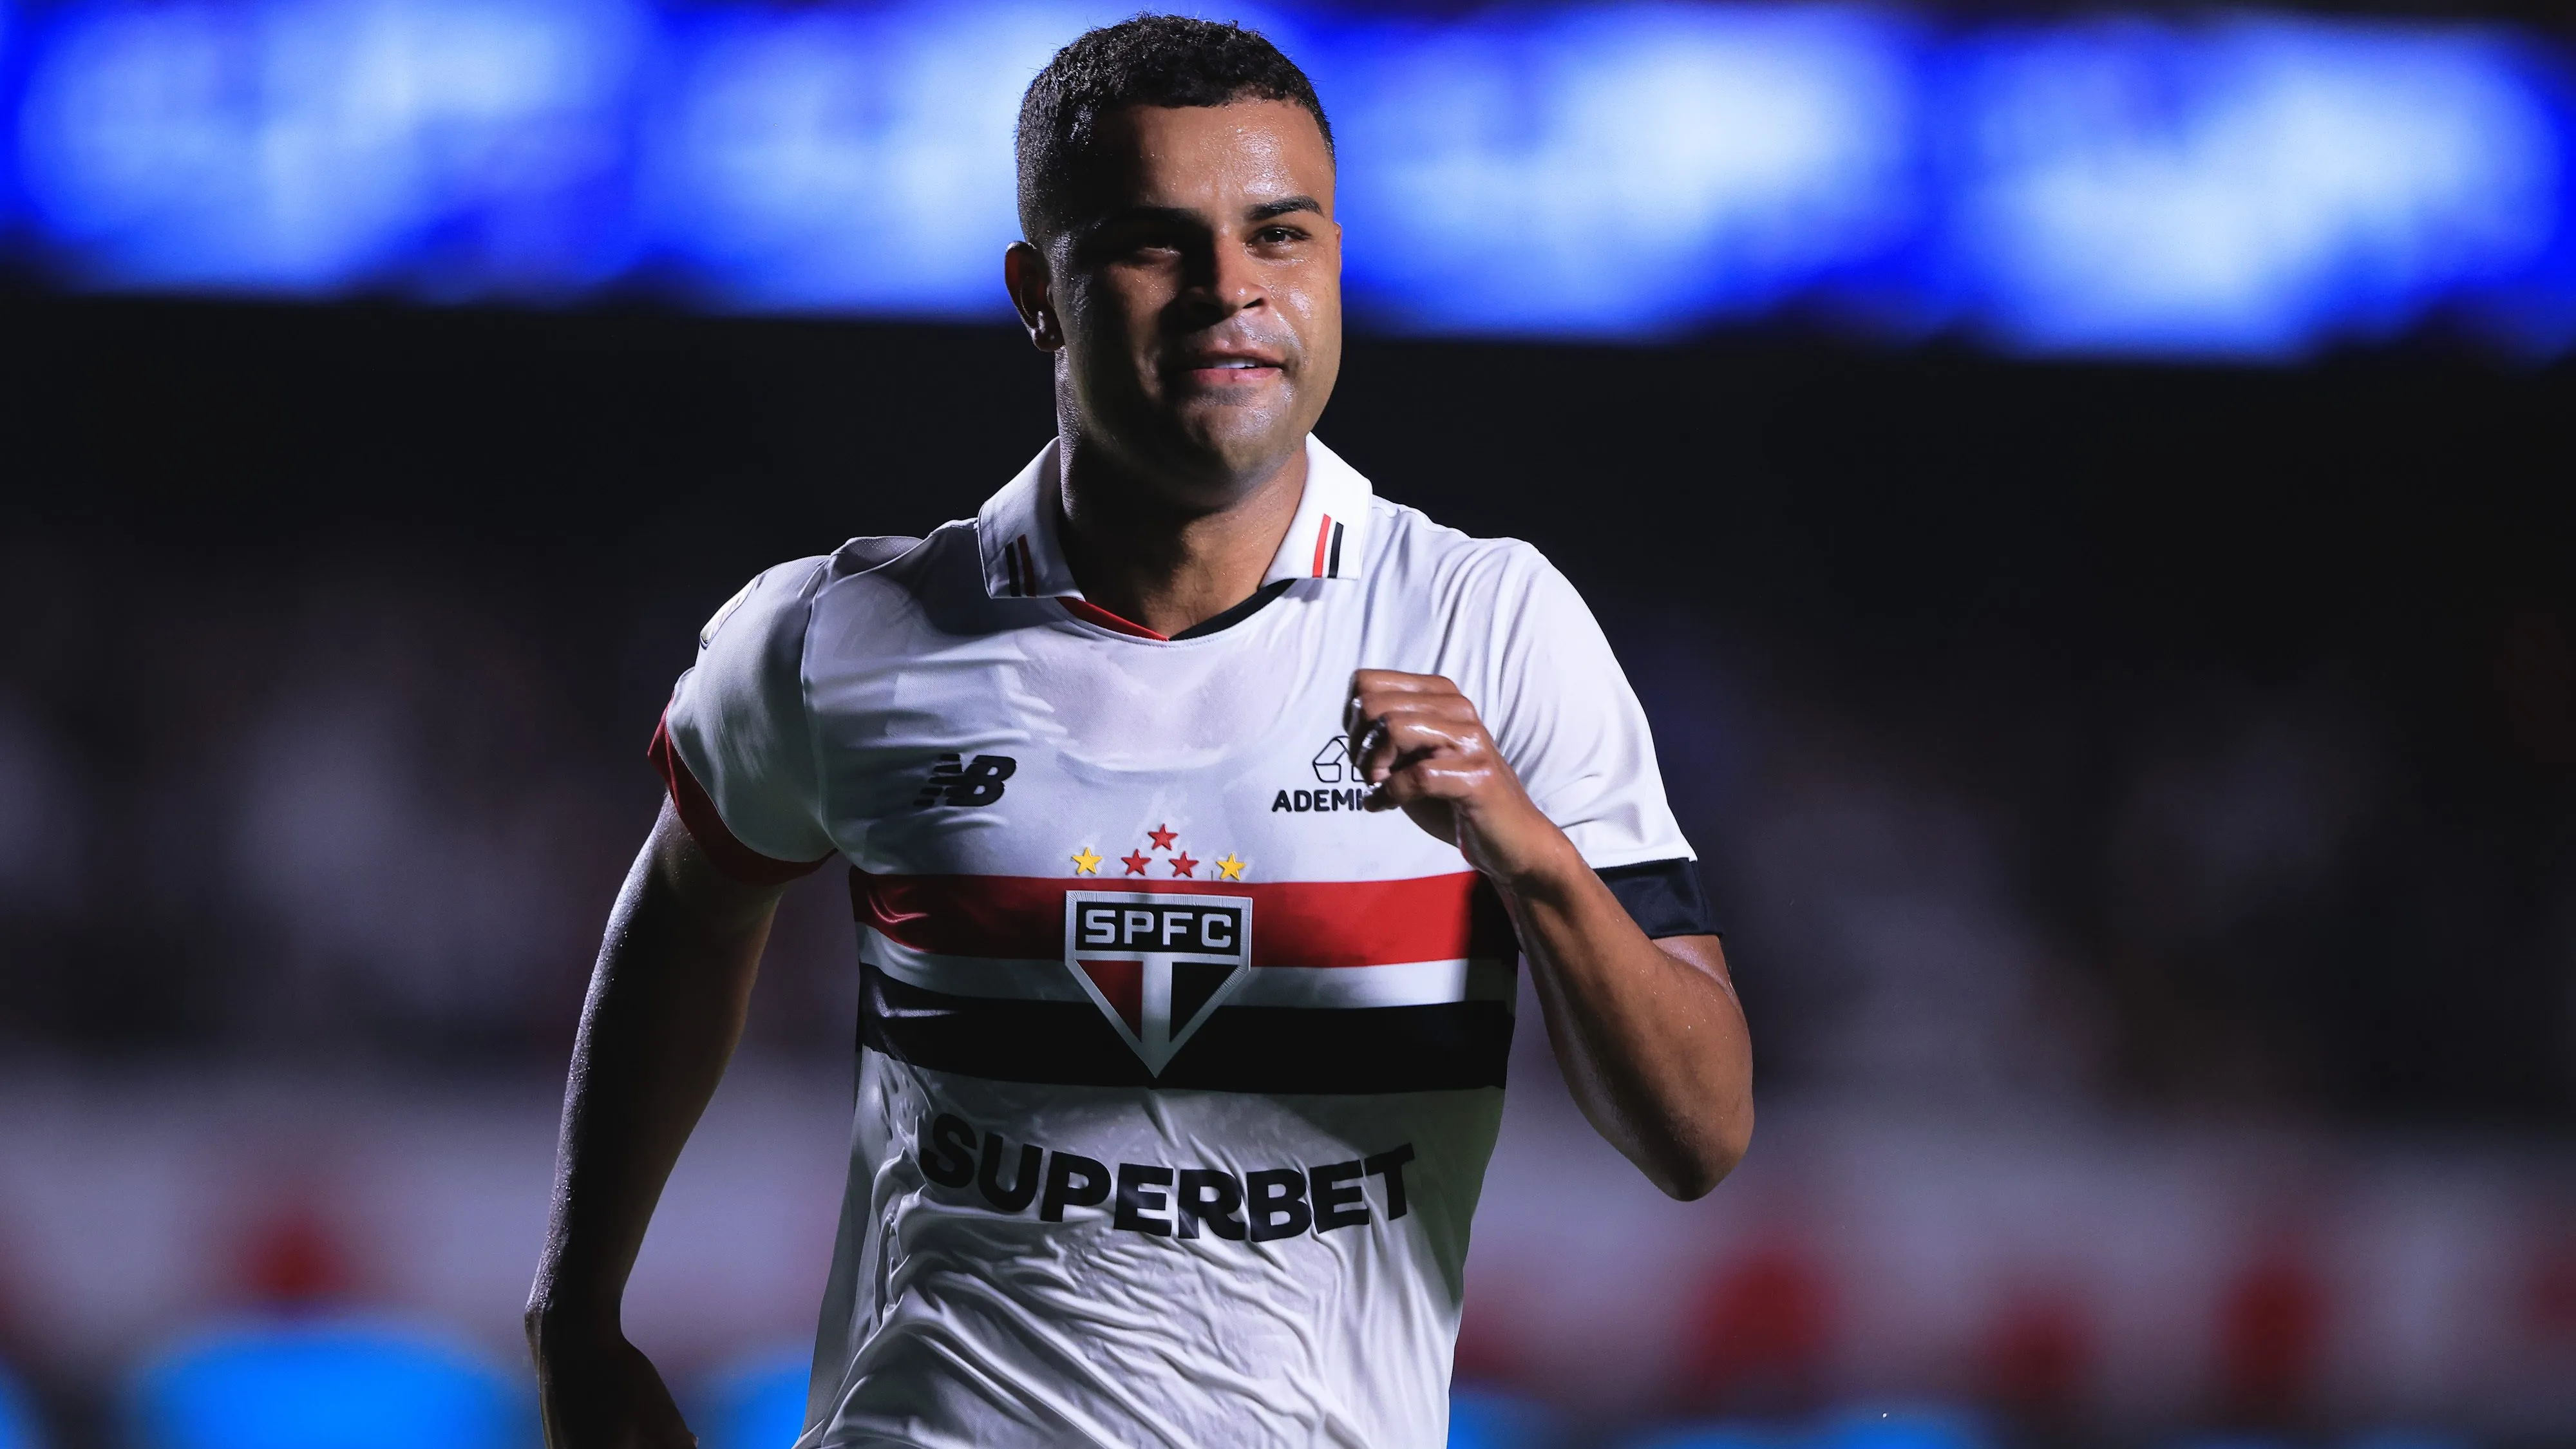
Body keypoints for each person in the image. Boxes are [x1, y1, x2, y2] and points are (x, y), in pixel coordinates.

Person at [525, 15, 1753, 1447]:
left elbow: (1699, 1136)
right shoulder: (837, 637)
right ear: (1036, 294)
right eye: (1154, 243)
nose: (1229, 290)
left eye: (1279, 235)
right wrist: (577, 1315)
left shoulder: (1486, 624)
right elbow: (687, 905)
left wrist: (1525, 854)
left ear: (1334, 265)